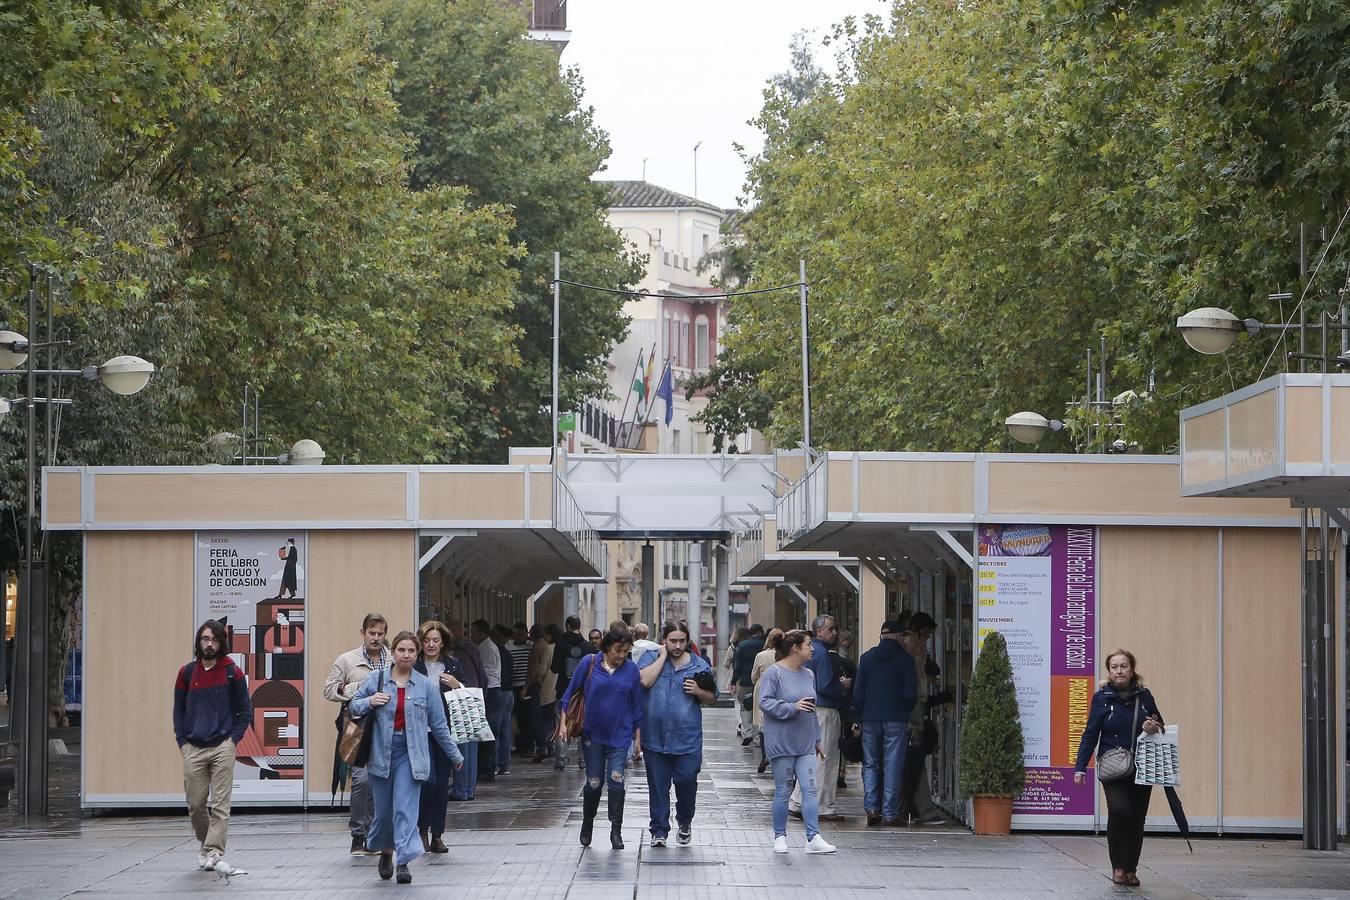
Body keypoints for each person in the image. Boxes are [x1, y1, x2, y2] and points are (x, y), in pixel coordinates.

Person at [351, 631, 464, 885]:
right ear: (394, 653)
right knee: (383, 812)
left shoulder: (425, 685)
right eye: (402, 650)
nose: (406, 655)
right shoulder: (377, 679)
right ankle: (385, 851)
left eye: (411, 651)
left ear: (417, 654)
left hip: (411, 755)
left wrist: (454, 754)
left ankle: (403, 861)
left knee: (405, 808)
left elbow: (439, 725)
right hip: (381, 753)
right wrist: (370, 701)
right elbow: (353, 706)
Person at [1074, 649, 1164, 887]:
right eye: (1114, 667)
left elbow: (1160, 724)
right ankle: (1118, 866)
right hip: (1113, 765)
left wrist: (1152, 726)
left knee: (1137, 818)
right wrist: (1080, 766)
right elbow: (1090, 733)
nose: (1119, 671)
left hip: (1143, 765)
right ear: (1109, 671)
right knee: (1120, 810)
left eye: (1123, 666)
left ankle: (1131, 868)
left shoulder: (1144, 696)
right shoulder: (1102, 698)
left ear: (1132, 669)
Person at [174, 619, 252, 876]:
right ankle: (207, 846)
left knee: (220, 805)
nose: (209, 644)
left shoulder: (232, 672)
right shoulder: (186, 673)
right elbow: (179, 710)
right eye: (205, 639)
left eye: (215, 640)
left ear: (221, 643)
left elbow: (245, 710)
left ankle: (213, 851)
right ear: (199, 641)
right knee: (196, 804)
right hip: (193, 746)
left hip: (222, 746)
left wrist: (233, 740)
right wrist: (182, 742)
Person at [559, 625, 644, 849]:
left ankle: (616, 830)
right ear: (607, 647)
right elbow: (568, 695)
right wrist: (562, 725)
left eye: (626, 651)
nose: (621, 655)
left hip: (620, 735)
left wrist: (637, 736)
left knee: (617, 781)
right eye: (618, 650)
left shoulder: (632, 670)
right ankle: (588, 822)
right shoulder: (589, 663)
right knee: (594, 783)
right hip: (592, 735)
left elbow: (636, 705)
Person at [637, 621, 716, 847]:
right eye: (673, 641)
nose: (678, 645)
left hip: (687, 738)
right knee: (658, 786)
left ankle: (684, 819)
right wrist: (662, 657)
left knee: (686, 781)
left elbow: (713, 697)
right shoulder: (650, 658)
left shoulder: (699, 665)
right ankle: (659, 830)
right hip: (655, 737)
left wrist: (699, 691)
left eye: (682, 641)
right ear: (664, 640)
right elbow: (644, 681)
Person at [758, 629, 836, 854]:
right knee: (783, 790)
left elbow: (811, 710)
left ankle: (813, 838)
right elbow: (765, 702)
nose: (812, 649)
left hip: (805, 742)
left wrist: (817, 739)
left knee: (810, 789)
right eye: (808, 644)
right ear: (795, 648)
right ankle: (780, 836)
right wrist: (792, 707)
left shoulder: (808, 674)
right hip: (781, 741)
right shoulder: (775, 673)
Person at [323, 612, 389, 854]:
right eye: (371, 633)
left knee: (380, 779)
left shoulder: (393, 659)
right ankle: (358, 834)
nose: (376, 638)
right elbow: (329, 690)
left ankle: (376, 833)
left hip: (385, 724)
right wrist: (361, 688)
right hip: (356, 725)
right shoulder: (347, 660)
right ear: (363, 633)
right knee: (361, 780)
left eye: (380, 634)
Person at [851, 620, 917, 826]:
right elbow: (910, 695)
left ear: (881, 636)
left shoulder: (866, 658)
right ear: (899, 637)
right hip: (896, 718)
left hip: (870, 718)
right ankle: (889, 813)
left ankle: (871, 808)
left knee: (870, 764)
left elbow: (858, 692)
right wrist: (904, 710)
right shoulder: (906, 660)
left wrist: (857, 716)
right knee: (893, 766)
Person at [789, 615, 850, 821]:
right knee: (827, 758)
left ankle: (797, 801)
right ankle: (823, 806)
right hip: (824, 708)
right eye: (831, 629)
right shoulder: (822, 653)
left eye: (835, 629)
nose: (835, 633)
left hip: (807, 708)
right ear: (819, 631)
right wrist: (842, 687)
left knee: (808, 757)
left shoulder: (807, 650)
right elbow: (825, 685)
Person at [414, 621, 464, 854]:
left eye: (435, 640)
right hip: (420, 733)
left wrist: (457, 685)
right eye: (426, 640)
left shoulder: (452, 666)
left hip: (445, 733)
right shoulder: (414, 665)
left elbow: (467, 697)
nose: (431, 644)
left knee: (442, 785)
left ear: (443, 642)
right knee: (428, 781)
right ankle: (422, 829)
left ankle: (438, 835)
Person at [445, 620, 483, 800]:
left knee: (460, 746)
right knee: (471, 748)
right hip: (474, 698)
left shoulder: (453, 656)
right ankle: (468, 789)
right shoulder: (473, 649)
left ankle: (460, 790)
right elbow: (483, 677)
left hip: (458, 701)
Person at [472, 620, 510, 779]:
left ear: (482, 633)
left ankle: (489, 767)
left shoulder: (485, 648)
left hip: (492, 692)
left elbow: (485, 674)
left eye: (474, 632)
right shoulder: (488, 647)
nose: (471, 635)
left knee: (489, 732)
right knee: (500, 731)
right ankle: (496, 765)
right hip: (497, 691)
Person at [550, 616, 590, 770]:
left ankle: (560, 759)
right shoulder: (587, 646)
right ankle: (583, 760)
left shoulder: (560, 644)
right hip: (582, 691)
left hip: (563, 688)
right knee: (583, 724)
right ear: (579, 626)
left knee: (561, 722)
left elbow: (554, 667)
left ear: (567, 626)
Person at [751, 628, 784, 774]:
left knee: (763, 722)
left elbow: (753, 676)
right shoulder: (785, 655)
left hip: (763, 688)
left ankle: (765, 754)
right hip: (781, 688)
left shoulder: (761, 655)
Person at [830, 629, 858, 791]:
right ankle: (840, 773)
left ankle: (837, 772)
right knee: (841, 739)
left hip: (835, 706)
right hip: (845, 706)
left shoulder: (829, 660)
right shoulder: (848, 664)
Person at [730, 624, 765, 747]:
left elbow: (737, 666)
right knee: (758, 709)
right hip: (760, 682)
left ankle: (747, 732)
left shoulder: (742, 646)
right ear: (760, 632)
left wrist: (733, 681)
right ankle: (757, 737)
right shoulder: (764, 645)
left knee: (745, 707)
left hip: (745, 682)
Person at [527, 624, 557, 762]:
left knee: (542, 718)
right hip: (558, 688)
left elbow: (539, 670)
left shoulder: (543, 647)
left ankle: (543, 746)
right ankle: (552, 746)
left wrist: (530, 685)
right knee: (554, 718)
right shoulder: (556, 646)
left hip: (546, 688)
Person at [505, 623, 534, 756]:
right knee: (514, 717)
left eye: (522, 634)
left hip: (525, 684)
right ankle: (517, 745)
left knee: (527, 717)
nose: (519, 637)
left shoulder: (531, 646)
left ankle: (527, 745)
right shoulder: (508, 646)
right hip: (513, 684)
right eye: (516, 634)